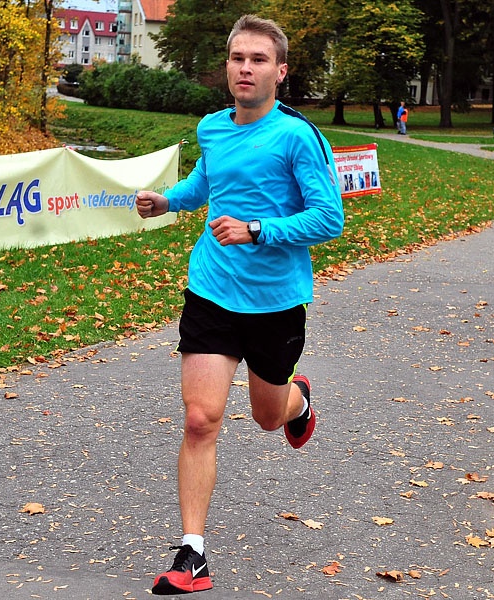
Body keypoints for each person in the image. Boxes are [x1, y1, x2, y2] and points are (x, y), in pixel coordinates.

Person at [135, 14, 345, 596]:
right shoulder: (212, 128)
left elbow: (330, 218)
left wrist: (258, 229)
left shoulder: (298, 136)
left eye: (257, 60)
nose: (245, 69)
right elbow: (209, 183)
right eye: (237, 58)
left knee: (266, 416)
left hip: (275, 302)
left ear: (280, 71)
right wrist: (168, 201)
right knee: (201, 418)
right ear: (226, 66)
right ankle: (193, 553)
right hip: (211, 289)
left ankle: (296, 399)